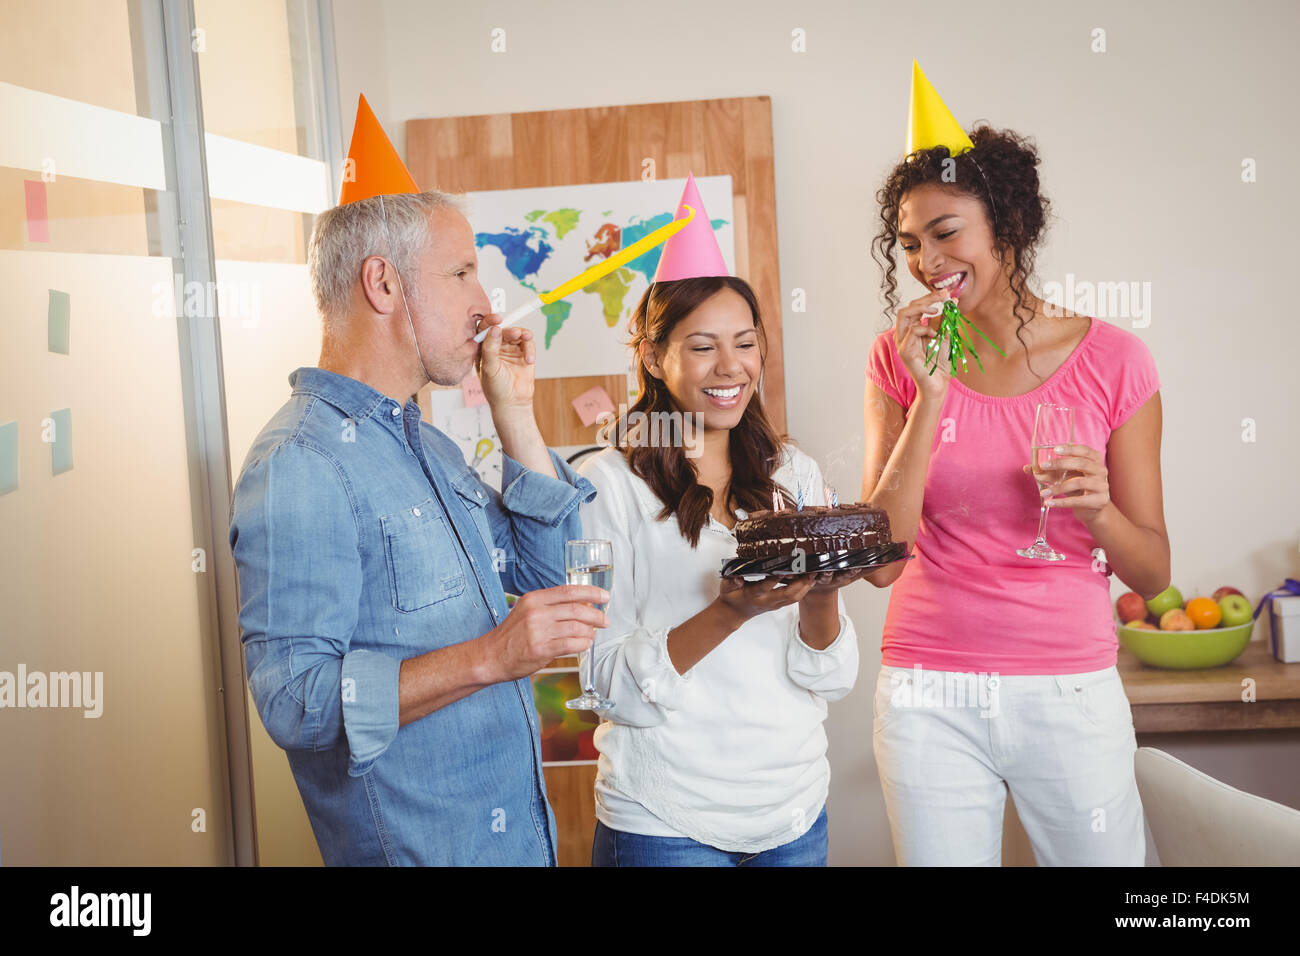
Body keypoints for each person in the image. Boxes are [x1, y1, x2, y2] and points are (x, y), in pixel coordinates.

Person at [228, 96, 606, 865]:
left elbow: (546, 570)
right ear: (385, 285)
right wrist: (490, 658)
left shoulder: (427, 446)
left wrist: (517, 417)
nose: (484, 306)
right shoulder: (301, 464)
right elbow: (293, 700)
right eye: (462, 273)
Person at [862, 64, 1166, 865]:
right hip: (928, 689)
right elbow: (881, 564)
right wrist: (930, 397)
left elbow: (1155, 575)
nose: (926, 260)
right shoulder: (897, 360)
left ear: (1009, 222)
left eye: (945, 231)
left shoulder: (1114, 360)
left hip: (1068, 686)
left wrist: (1098, 513)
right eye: (910, 242)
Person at [578, 175, 863, 867]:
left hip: (792, 811)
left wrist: (824, 592)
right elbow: (595, 683)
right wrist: (730, 612)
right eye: (702, 345)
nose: (730, 367)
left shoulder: (792, 474)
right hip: (664, 819)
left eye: (745, 342)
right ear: (652, 355)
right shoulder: (597, 488)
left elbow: (828, 676)